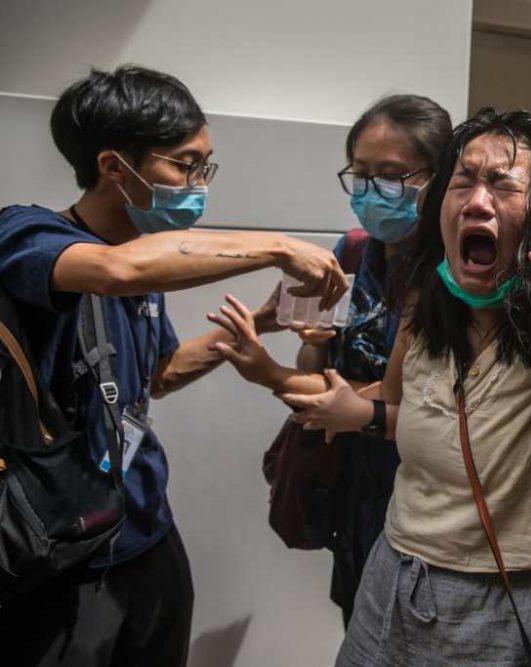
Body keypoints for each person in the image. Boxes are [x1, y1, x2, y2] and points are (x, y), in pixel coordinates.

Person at [213, 108, 531, 663]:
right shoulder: (423, 298)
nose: (477, 201)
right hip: (393, 567)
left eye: (502, 185)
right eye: (463, 180)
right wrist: (272, 372)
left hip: (505, 595)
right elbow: (395, 406)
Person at [0, 65, 346, 666]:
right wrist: (277, 245)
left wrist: (255, 328)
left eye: (204, 165)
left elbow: (158, 375)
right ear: (114, 167)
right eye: (185, 165)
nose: (198, 182)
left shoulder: (145, 258)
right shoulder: (27, 234)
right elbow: (116, 272)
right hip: (61, 553)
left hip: (146, 533)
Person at [290, 94, 452, 626]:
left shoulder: (456, 274)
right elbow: (314, 368)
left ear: (438, 177)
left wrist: (327, 399)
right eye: (359, 174)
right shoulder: (353, 251)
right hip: (357, 490)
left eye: (389, 175)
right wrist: (312, 341)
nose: (368, 189)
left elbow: (445, 409)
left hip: (431, 502)